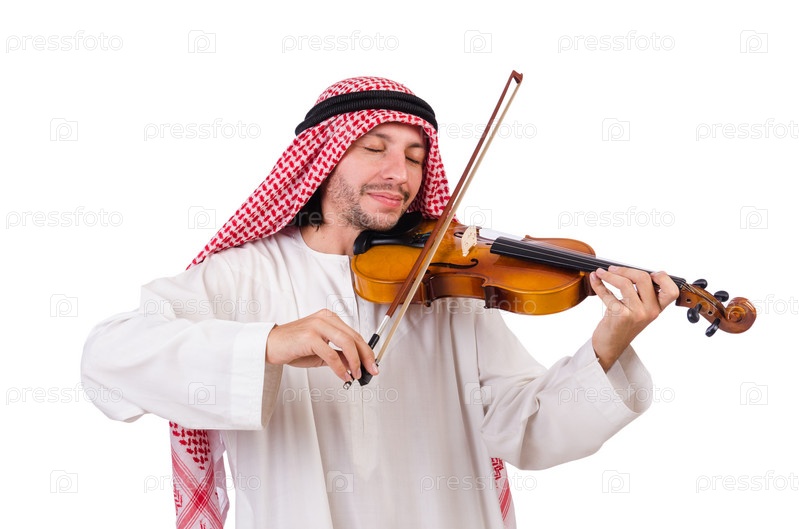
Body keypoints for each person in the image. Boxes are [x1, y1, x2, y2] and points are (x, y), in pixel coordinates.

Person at [82, 76, 679, 529]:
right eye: (375, 147)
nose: (401, 173)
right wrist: (268, 344)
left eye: (416, 158)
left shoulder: (443, 286)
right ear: (321, 159)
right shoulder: (240, 277)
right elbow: (106, 362)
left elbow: (527, 428)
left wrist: (609, 344)